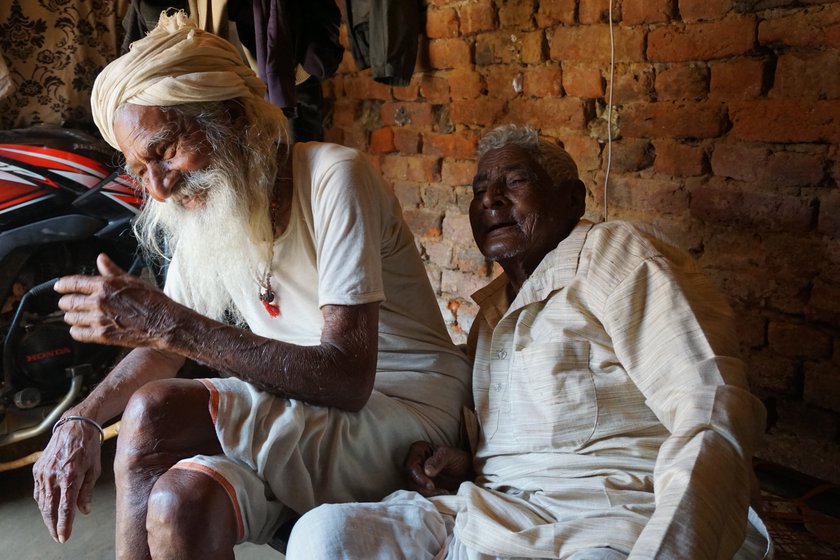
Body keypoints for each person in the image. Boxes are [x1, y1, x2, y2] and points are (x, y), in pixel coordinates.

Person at [30, 11, 471, 559]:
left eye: (166, 150)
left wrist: (168, 324)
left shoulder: (335, 176)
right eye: (141, 169)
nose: (160, 188)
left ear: (234, 118)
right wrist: (81, 420)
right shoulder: (214, 210)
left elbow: (347, 378)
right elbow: (158, 353)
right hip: (311, 414)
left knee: (154, 413)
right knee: (179, 501)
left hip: (405, 412)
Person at [284, 124, 773, 559]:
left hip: (608, 520)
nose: (491, 200)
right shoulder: (492, 313)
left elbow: (712, 408)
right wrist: (459, 460)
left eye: (514, 182)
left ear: (573, 199)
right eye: (479, 191)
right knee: (324, 535)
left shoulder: (617, 258)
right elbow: (511, 434)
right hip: (490, 514)